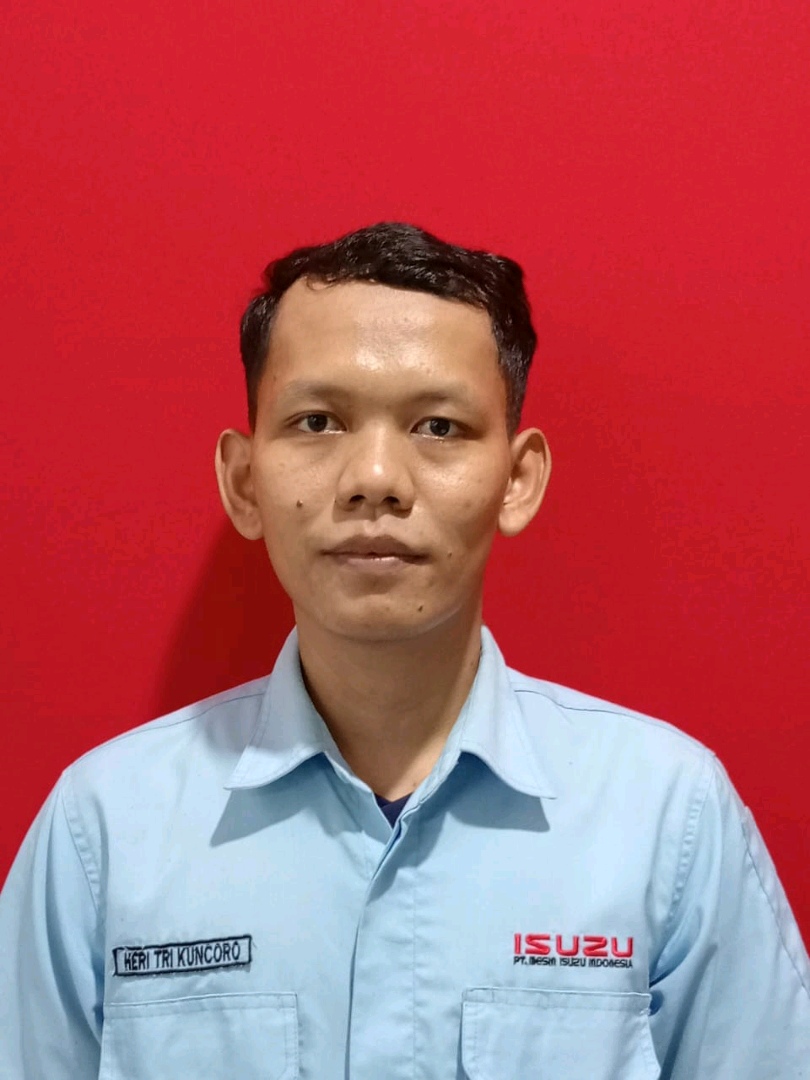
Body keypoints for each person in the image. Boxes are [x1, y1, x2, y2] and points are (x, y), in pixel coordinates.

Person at [0, 222, 807, 1080]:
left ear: (518, 479)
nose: (375, 479)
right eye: (318, 421)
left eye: (438, 426)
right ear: (244, 481)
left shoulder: (664, 817)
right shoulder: (105, 830)